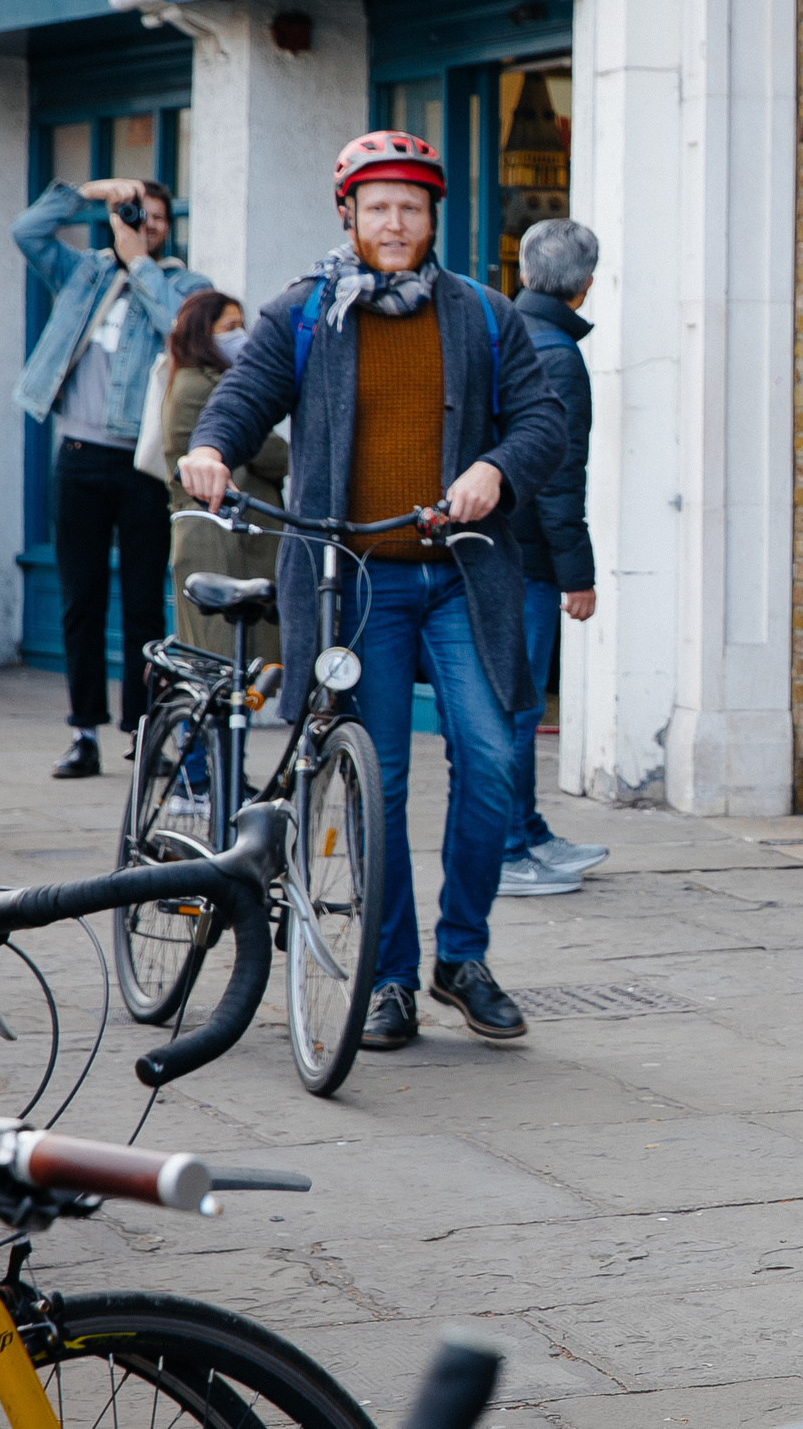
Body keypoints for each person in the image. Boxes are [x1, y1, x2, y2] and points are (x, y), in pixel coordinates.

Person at [182, 130, 566, 1051]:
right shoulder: (309, 312)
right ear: (348, 213)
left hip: (461, 575)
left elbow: (544, 420)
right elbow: (244, 399)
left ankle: (461, 958)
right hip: (354, 581)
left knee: (494, 759)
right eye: (379, 206)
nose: (396, 223)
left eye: (413, 207)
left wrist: (496, 469)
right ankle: (389, 977)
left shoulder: (481, 314)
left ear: (435, 217)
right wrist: (210, 447)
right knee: (377, 779)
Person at [12, 175, 205, 779]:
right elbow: (27, 231)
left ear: (167, 225)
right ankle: (83, 732)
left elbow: (183, 330)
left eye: (151, 216)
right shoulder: (84, 272)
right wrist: (89, 193)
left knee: (145, 602)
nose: (140, 223)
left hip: (145, 461)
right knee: (81, 599)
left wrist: (142, 265)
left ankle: (144, 732)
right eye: (131, 213)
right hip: (78, 452)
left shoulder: (184, 283)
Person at [499, 219, 605, 895]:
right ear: (586, 285)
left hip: (497, 543)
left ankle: (528, 830)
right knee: (516, 705)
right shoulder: (557, 354)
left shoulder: (504, 330)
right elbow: (559, 474)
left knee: (518, 700)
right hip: (527, 556)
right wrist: (578, 574)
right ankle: (508, 849)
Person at [161, 292, 286, 667]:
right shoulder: (204, 385)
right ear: (203, 333)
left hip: (223, 534)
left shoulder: (197, 378)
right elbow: (275, 454)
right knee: (219, 660)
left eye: (242, 325)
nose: (241, 336)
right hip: (219, 539)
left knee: (222, 659)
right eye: (229, 328)